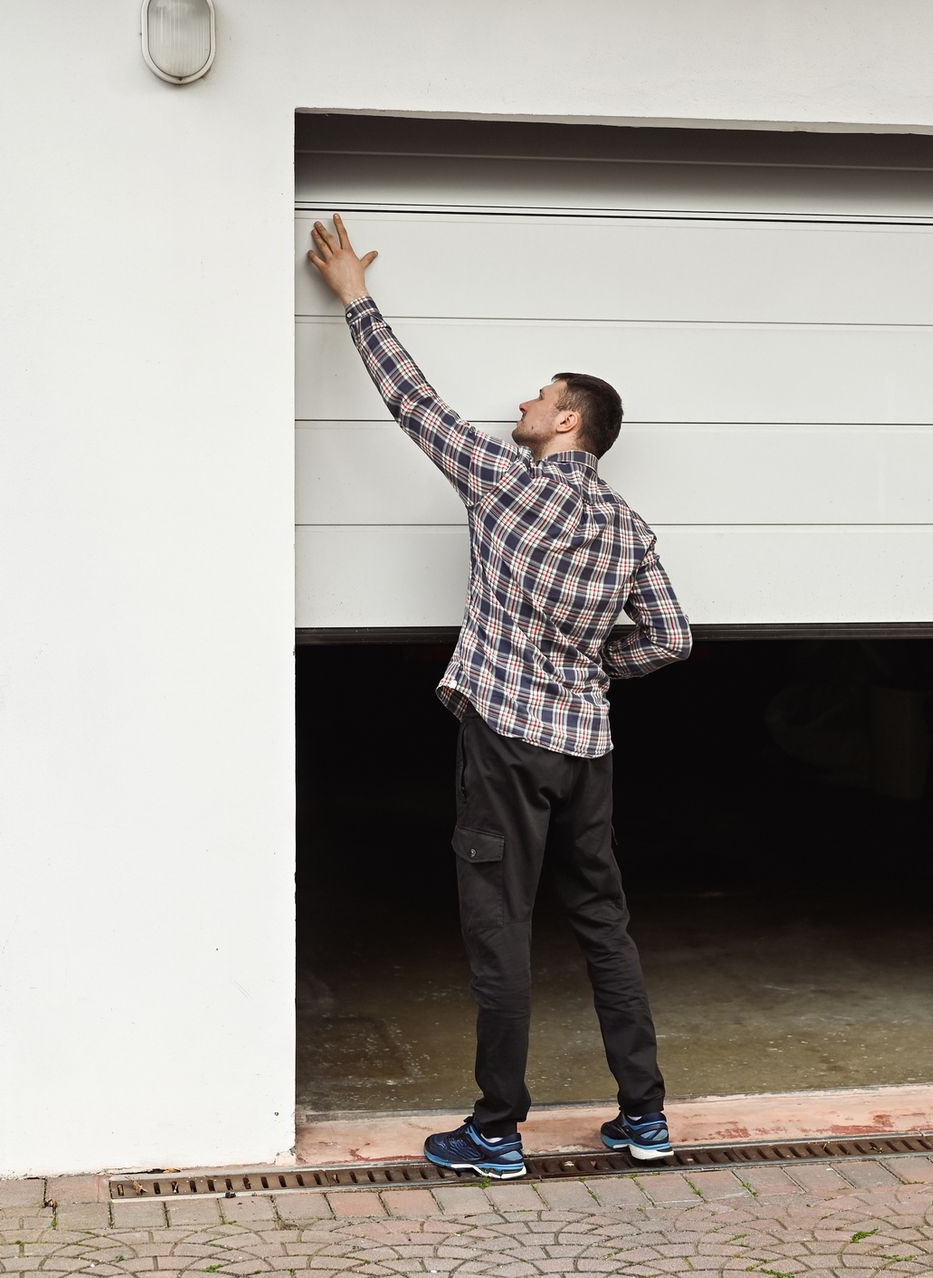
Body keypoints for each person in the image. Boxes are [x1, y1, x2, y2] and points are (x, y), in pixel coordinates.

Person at [306, 215, 693, 1180]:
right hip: (587, 751)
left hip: (507, 745)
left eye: (540, 395)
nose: (522, 401)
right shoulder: (629, 525)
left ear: (569, 421)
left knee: (500, 929)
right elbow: (672, 638)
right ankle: (644, 1118)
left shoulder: (507, 486)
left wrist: (357, 297)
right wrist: (598, 672)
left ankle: (495, 1131)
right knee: (605, 925)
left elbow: (414, 403)